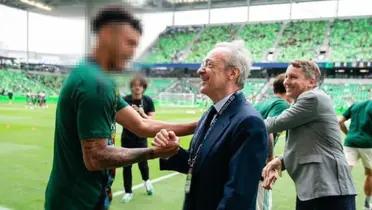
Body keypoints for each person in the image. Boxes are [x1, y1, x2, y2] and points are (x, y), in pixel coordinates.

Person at [44, 6, 196, 210]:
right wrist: (154, 152)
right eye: (129, 43)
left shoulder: (95, 77)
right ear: (107, 35)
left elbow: (142, 125)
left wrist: (197, 124)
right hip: (77, 201)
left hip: (84, 195)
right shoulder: (95, 84)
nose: (133, 52)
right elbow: (95, 158)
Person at [153, 40, 268, 210]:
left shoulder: (249, 122)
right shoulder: (211, 113)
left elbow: (237, 197)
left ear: (232, 73)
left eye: (209, 64)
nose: (200, 70)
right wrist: (173, 151)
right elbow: (201, 166)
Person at [262, 60, 356, 210]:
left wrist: (241, 120)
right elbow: (310, 146)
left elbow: (273, 124)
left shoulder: (312, 98)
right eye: (286, 76)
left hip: (327, 189)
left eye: (293, 77)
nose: (286, 81)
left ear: (311, 81)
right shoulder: (306, 101)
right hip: (316, 189)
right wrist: (281, 161)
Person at [254, 73, 291, 210]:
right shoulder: (282, 104)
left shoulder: (263, 103)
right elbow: (266, 128)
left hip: (245, 157)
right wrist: (270, 160)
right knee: (262, 205)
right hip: (257, 159)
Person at [121, 75, 156, 202]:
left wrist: (141, 113)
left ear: (143, 88)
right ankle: (128, 192)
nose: (137, 88)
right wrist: (130, 112)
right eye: (135, 85)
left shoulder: (148, 101)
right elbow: (119, 118)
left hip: (141, 138)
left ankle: (147, 181)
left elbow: (152, 121)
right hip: (127, 138)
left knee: (143, 162)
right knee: (126, 165)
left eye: (140, 85)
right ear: (131, 87)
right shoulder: (125, 100)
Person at [339, 100, 372, 210]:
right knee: (370, 174)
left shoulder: (356, 104)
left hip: (350, 142)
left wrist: (348, 134)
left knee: (342, 174)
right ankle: (367, 204)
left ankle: (336, 203)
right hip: (368, 144)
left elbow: (340, 121)